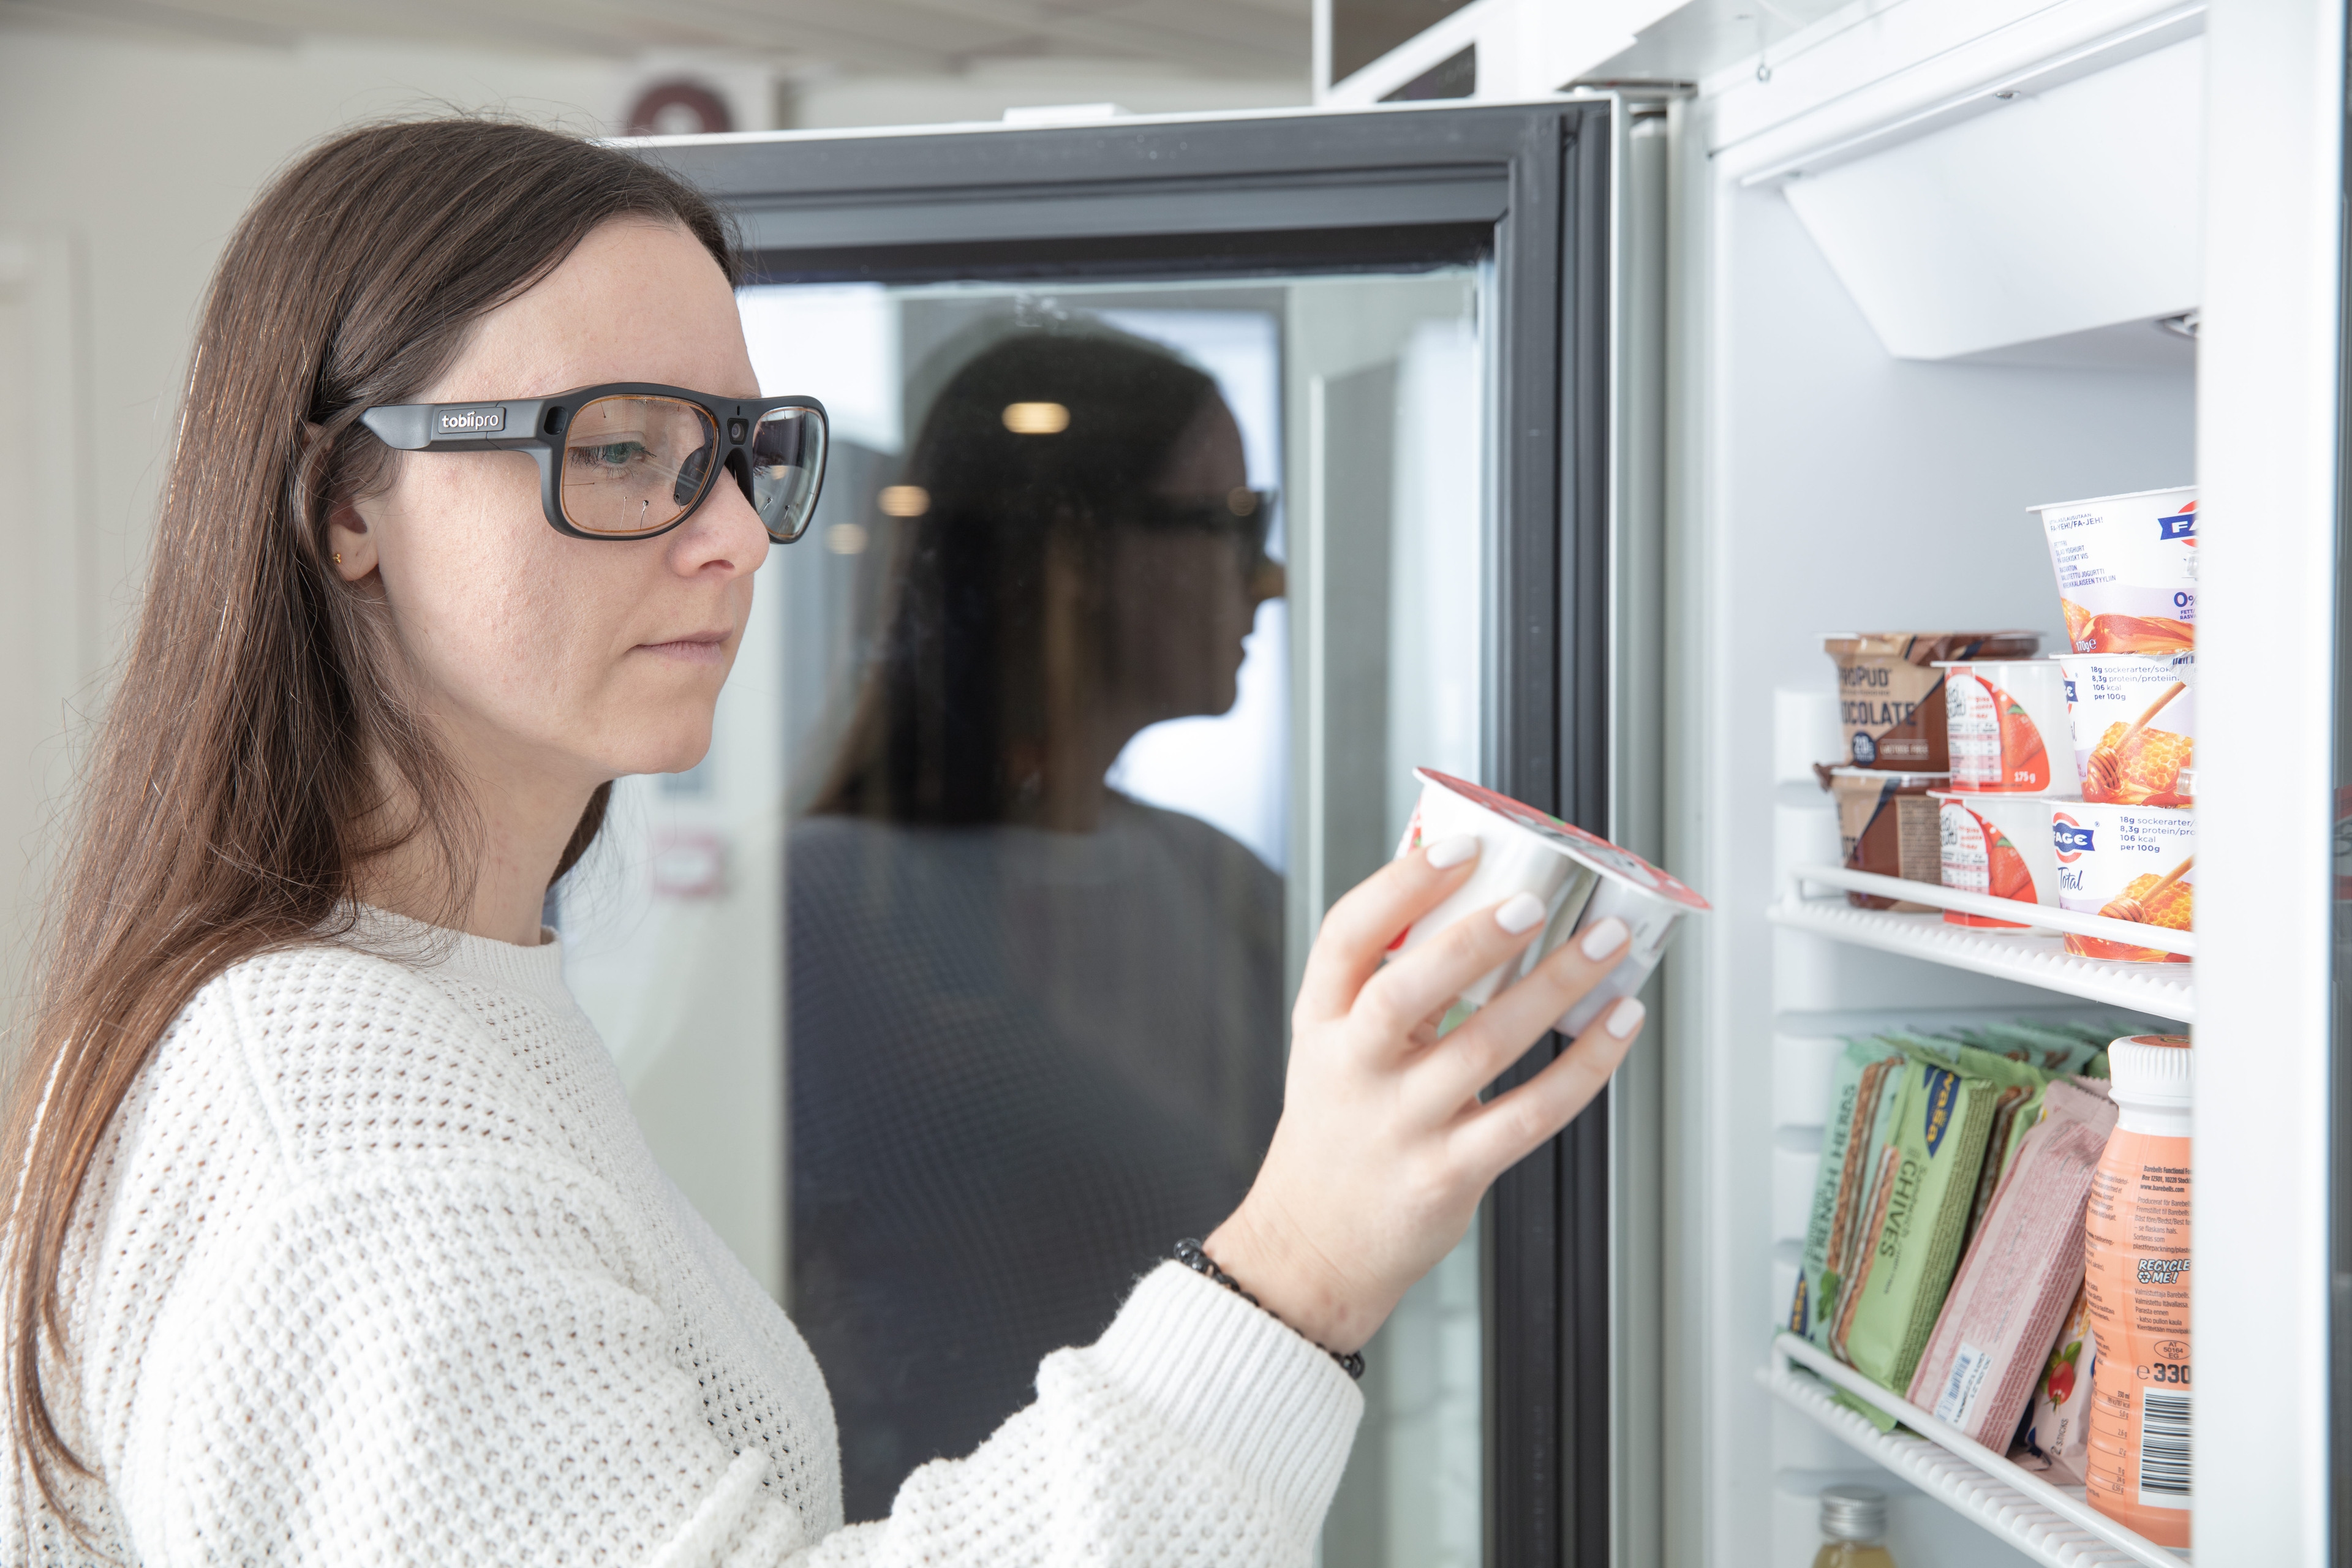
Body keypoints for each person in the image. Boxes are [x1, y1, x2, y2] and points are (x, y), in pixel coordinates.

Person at [0, 118, 1648, 1566]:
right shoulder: (346, 1143)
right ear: (347, 501)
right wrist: (1300, 1270)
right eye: (621, 448)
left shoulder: (443, 1000)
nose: (730, 536)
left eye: (734, 454)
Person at [789, 328, 1289, 1517]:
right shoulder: (826, 909)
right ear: (1076, 556)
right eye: (1233, 521)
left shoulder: (1221, 878)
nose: (1270, 577)